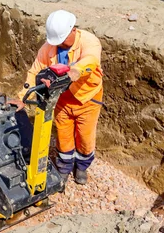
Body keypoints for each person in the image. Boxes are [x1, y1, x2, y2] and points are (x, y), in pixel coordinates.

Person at [9, 10, 104, 185]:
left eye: (62, 39)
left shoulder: (89, 41)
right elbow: (35, 71)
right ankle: (64, 167)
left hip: (87, 98)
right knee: (63, 134)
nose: (59, 44)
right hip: (61, 98)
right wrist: (22, 97)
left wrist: (76, 70)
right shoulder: (48, 48)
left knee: (85, 136)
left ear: (73, 30)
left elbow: (90, 59)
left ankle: (82, 166)